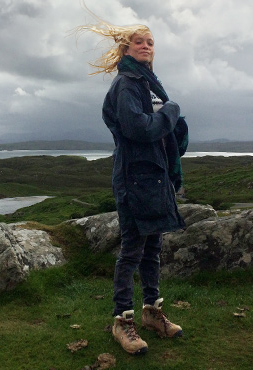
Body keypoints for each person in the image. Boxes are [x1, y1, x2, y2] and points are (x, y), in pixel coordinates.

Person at [75, 13, 188, 355]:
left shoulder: (150, 84)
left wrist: (174, 124)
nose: (145, 46)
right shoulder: (126, 83)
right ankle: (121, 320)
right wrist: (171, 113)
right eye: (138, 41)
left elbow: (164, 130)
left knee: (152, 249)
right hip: (134, 180)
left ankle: (152, 312)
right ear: (126, 47)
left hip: (154, 177)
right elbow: (138, 128)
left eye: (150, 42)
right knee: (132, 251)